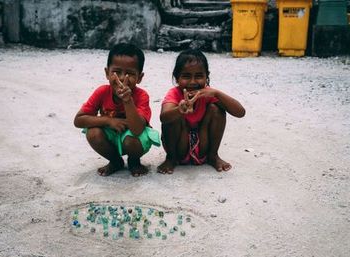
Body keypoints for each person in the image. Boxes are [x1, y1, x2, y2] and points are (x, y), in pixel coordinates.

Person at [74, 43, 160, 177]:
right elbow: (78, 120)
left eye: (130, 73)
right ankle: (115, 161)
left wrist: (128, 101)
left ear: (140, 77)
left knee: (131, 141)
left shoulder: (142, 96)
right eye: (116, 72)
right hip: (111, 133)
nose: (122, 78)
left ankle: (134, 161)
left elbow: (137, 130)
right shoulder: (102, 92)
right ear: (107, 73)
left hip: (134, 137)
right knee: (93, 133)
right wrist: (108, 121)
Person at [157, 49, 245, 174]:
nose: (192, 82)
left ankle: (213, 156)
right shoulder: (174, 93)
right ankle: (171, 158)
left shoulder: (208, 93)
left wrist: (216, 93)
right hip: (179, 146)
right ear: (177, 78)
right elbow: (163, 118)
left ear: (206, 77)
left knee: (217, 109)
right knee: (172, 117)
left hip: (203, 144)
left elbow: (240, 112)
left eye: (199, 76)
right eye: (186, 76)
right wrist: (179, 110)